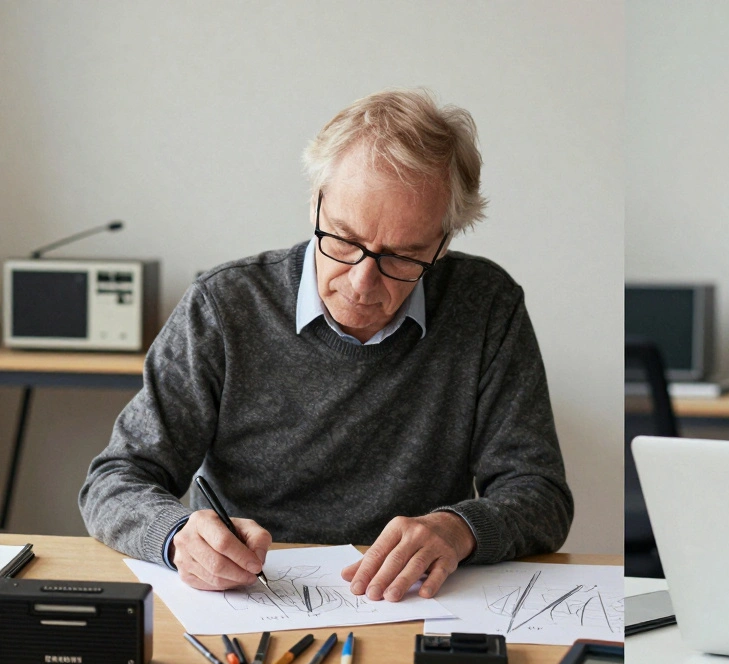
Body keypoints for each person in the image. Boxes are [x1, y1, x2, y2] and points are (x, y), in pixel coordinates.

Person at [79, 88, 573, 604]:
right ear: (314, 202)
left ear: (444, 244)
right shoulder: (225, 306)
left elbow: (541, 496)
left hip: (411, 603)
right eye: (342, 239)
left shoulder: (486, 306)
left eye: (403, 257)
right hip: (251, 599)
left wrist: (458, 528)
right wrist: (177, 536)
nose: (362, 283)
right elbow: (114, 480)